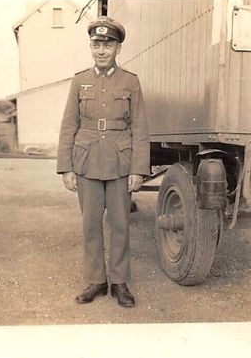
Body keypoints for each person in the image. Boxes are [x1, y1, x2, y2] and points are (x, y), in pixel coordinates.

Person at [56, 16, 150, 308]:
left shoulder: (130, 82)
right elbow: (68, 125)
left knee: (120, 224)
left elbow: (140, 128)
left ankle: (119, 282)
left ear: (118, 49)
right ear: (91, 47)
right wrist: (66, 167)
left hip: (120, 164)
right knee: (90, 225)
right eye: (96, 44)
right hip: (86, 163)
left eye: (107, 45)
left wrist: (138, 170)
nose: (101, 50)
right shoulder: (79, 81)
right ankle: (96, 280)